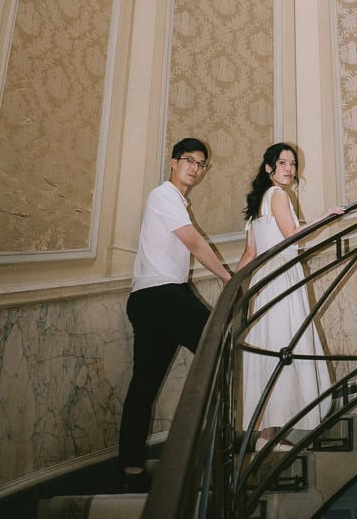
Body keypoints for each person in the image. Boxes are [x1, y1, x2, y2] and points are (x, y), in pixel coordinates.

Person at [118, 137, 230, 491]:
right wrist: (227, 276)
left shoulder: (174, 200)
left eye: (201, 164)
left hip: (147, 297)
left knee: (144, 385)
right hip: (163, 295)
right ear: (173, 161)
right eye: (189, 160)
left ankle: (132, 467)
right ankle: (210, 452)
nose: (195, 168)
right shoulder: (163, 194)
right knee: (220, 347)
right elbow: (193, 242)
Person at [236, 142, 344, 451]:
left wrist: (234, 287)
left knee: (272, 347)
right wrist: (325, 217)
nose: (288, 168)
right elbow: (292, 235)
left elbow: (249, 254)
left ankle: (266, 436)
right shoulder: (279, 195)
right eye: (282, 163)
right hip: (281, 276)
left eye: (292, 164)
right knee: (285, 344)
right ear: (269, 168)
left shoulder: (258, 203)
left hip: (265, 280)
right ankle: (269, 436)